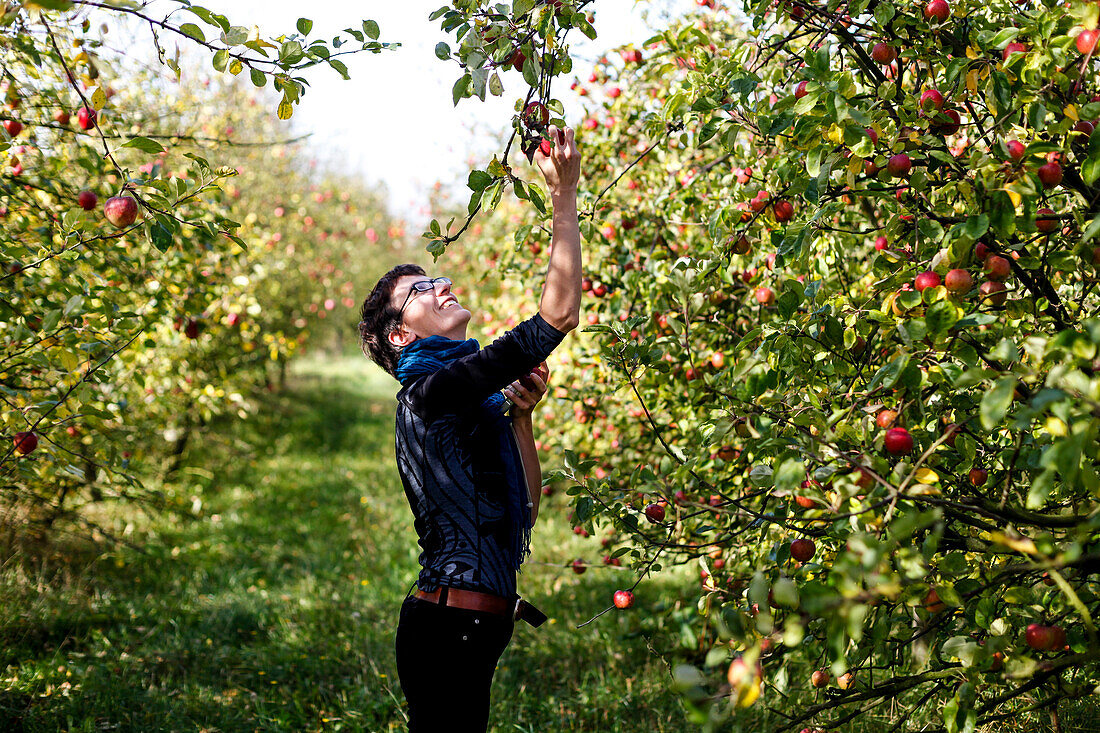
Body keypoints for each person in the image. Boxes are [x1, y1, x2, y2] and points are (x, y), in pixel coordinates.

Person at [356, 124, 581, 732]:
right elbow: (557, 317)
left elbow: (524, 513)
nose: (443, 286)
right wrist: (564, 197)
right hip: (448, 625)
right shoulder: (432, 392)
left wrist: (522, 421)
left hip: (469, 623)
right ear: (401, 334)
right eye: (423, 290)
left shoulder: (464, 398)